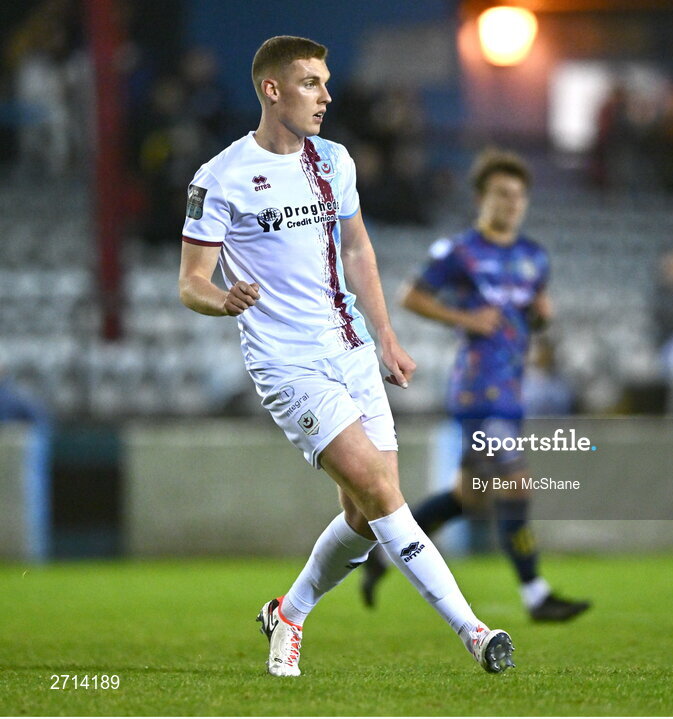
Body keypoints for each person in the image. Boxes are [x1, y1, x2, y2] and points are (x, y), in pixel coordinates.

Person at [177, 36, 514, 678]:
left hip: (352, 349)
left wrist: (385, 334)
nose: (327, 96)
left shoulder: (334, 161)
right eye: (311, 83)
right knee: (384, 493)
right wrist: (221, 301)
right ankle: (475, 632)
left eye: (327, 83)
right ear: (272, 90)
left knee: (362, 514)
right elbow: (190, 280)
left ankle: (289, 611)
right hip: (287, 364)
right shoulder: (218, 178)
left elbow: (357, 249)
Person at [360, 149, 591, 622]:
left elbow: (531, 316)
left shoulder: (533, 257)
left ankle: (381, 554)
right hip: (477, 387)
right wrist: (465, 317)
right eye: (502, 194)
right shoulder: (459, 251)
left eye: (519, 196)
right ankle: (536, 594)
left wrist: (542, 319)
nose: (512, 204)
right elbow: (411, 296)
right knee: (516, 480)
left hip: (511, 387)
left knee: (469, 496)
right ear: (482, 198)